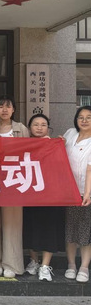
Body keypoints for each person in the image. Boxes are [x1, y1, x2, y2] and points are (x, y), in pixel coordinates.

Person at [0, 95, 29, 278]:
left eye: (8, 106)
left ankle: (11, 264)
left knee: (12, 224)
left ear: (13, 110)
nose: (4, 110)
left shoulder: (21, 129)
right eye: (0, 106)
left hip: (13, 181)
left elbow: (31, 152)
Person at [22, 114, 66, 282]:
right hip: (29, 193)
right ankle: (34, 261)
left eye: (43, 124)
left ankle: (45, 266)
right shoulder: (23, 145)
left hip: (51, 194)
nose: (39, 128)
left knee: (49, 228)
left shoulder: (55, 144)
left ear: (48, 128)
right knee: (30, 226)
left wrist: (62, 146)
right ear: (29, 128)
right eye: (36, 124)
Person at [63, 106, 91, 283]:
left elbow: (90, 169)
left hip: (86, 192)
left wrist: (87, 193)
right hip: (68, 191)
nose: (84, 120)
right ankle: (71, 265)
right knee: (70, 230)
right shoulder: (70, 133)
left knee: (85, 231)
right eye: (81, 117)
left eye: (89, 117)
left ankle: (84, 267)